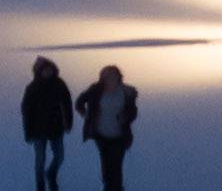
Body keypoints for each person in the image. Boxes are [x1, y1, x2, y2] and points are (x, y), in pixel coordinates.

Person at [79, 63, 139, 191]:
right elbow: (79, 102)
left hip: (119, 136)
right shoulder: (96, 90)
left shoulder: (126, 92)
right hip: (101, 135)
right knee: (106, 165)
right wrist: (87, 116)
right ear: (102, 77)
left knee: (116, 167)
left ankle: (116, 187)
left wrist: (126, 116)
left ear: (118, 76)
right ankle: (108, 186)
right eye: (106, 76)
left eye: (112, 75)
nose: (110, 78)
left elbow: (133, 112)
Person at [20, 56, 74, 187]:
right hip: (38, 129)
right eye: (44, 70)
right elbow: (26, 111)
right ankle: (40, 184)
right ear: (38, 71)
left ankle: (51, 173)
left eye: (49, 69)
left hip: (56, 127)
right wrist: (28, 132)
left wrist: (68, 122)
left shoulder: (59, 84)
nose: (47, 72)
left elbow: (67, 104)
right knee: (40, 160)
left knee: (59, 156)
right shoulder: (32, 88)